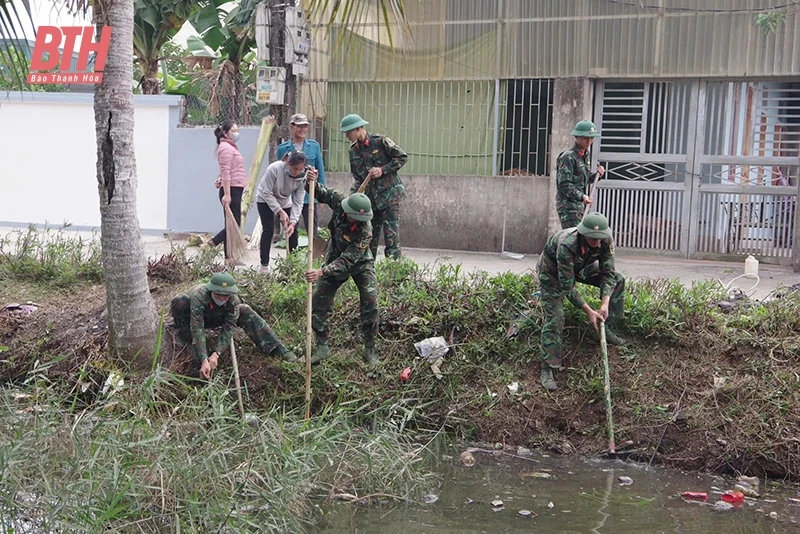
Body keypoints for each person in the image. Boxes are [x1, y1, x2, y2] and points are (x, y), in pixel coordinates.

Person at [537, 213, 627, 392]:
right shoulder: (567, 244)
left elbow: (608, 273)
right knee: (556, 317)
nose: (597, 242)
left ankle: (607, 328)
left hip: (582, 266)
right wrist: (588, 311)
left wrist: (604, 304)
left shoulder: (605, 240)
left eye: (600, 238)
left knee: (618, 279)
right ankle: (548, 368)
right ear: (583, 233)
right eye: (593, 238)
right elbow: (567, 286)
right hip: (553, 272)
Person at [302, 173, 380, 366]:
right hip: (334, 256)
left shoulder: (365, 231)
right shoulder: (339, 201)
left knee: (371, 301)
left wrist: (322, 271)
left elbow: (348, 260)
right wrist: (310, 180)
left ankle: (370, 349)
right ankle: (322, 347)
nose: (357, 221)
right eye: (355, 218)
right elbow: (318, 191)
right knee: (319, 299)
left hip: (360, 263)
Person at [170, 272, 297, 379]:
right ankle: (185, 338)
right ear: (211, 290)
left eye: (226, 295)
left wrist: (216, 353)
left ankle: (276, 348)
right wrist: (204, 358)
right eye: (218, 294)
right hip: (193, 317)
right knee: (180, 301)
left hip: (217, 316)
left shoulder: (233, 301)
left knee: (245, 309)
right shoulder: (199, 296)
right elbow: (197, 327)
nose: (222, 298)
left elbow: (228, 328)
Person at [339, 113, 408, 260]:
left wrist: (383, 170)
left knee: (392, 240)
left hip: (389, 197)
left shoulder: (380, 142)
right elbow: (358, 178)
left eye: (348, 132)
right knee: (370, 239)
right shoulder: (353, 151)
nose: (346, 136)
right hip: (370, 202)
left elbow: (402, 157)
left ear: (358, 129)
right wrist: (352, 198)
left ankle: (394, 270)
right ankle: (369, 269)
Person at [255, 150, 316, 273]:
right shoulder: (274, 169)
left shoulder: (304, 176)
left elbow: (298, 200)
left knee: (292, 231)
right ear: (288, 163)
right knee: (268, 229)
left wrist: (293, 222)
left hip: (284, 200)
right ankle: (264, 266)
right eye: (295, 168)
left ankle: (292, 264)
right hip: (265, 199)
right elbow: (266, 192)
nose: (297, 172)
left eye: (300, 169)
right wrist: (280, 211)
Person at [277, 113, 326, 238]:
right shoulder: (283, 149)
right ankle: (293, 250)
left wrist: (322, 196)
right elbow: (280, 173)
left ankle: (313, 251)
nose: (303, 129)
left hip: (309, 195)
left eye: (305, 126)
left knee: (312, 230)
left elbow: (320, 170)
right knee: (291, 230)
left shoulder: (314, 146)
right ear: (292, 127)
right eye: (299, 126)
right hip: (290, 196)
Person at [556, 120, 606, 229]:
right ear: (577, 137)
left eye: (591, 138)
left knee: (581, 235)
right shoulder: (568, 157)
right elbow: (564, 184)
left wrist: (598, 175)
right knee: (575, 236)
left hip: (580, 206)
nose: (589, 141)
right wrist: (582, 196)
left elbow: (583, 179)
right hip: (569, 207)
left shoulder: (585, 155)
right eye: (585, 138)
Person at [209, 120, 247, 261]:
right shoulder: (225, 148)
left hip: (235, 188)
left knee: (232, 224)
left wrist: (219, 179)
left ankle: (229, 257)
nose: (237, 133)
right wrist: (227, 194)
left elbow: (227, 169)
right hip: (232, 189)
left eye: (238, 130)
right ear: (225, 133)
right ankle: (214, 242)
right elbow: (226, 171)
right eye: (234, 131)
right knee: (233, 225)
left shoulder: (230, 147)